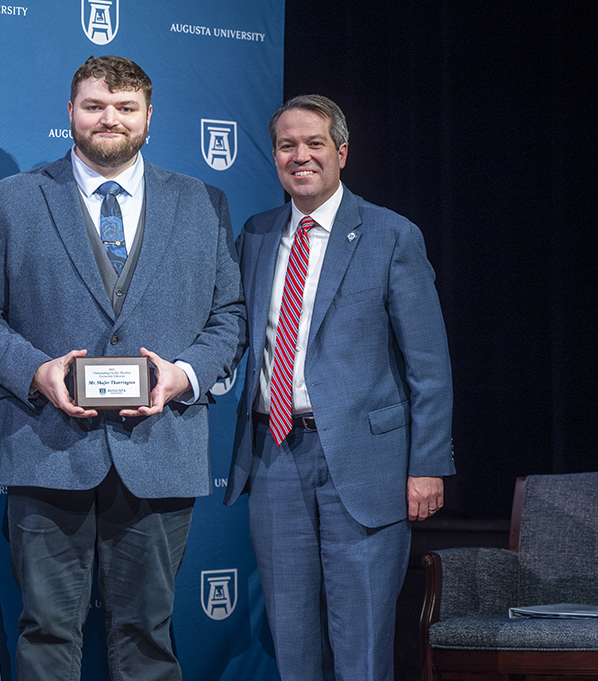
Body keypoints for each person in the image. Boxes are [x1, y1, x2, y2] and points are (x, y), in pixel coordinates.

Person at [0, 56, 245, 680]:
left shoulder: (202, 202)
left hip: (160, 448)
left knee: (148, 637)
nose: (108, 119)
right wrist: (36, 371)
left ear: (149, 117)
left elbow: (230, 317)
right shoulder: (9, 201)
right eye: (94, 106)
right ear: (70, 112)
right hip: (45, 446)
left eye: (125, 108)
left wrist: (184, 377)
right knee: (46, 632)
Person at [225, 95, 454, 680]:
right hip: (275, 454)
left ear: (342, 153)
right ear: (274, 156)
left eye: (314, 144)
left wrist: (427, 463)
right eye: (286, 145)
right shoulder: (255, 234)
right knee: (292, 642)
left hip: (365, 461)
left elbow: (428, 363)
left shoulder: (391, 235)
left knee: (363, 642)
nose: (300, 156)